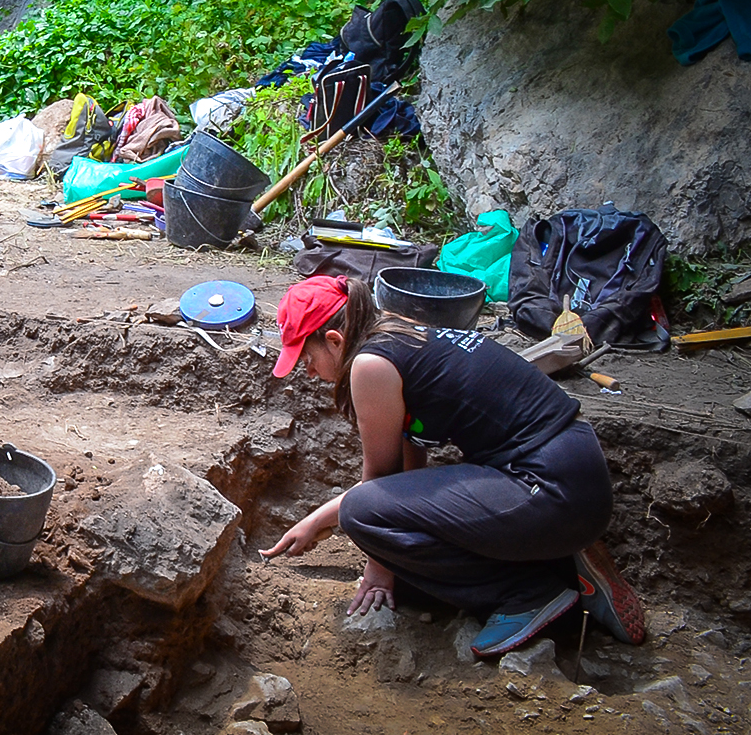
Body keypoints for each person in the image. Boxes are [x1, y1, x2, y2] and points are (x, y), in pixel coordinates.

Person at [259, 275, 646, 659]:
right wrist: (369, 548)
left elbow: (379, 483)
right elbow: (408, 468)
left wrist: (369, 558)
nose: (308, 371)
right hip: (574, 476)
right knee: (410, 574)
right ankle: (565, 567)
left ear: (334, 340)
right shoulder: (403, 333)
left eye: (307, 358)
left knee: (362, 516)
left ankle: (528, 593)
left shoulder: (370, 365)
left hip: (549, 488)